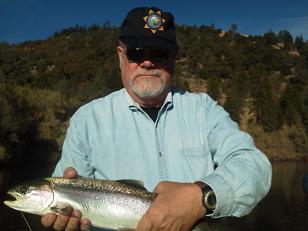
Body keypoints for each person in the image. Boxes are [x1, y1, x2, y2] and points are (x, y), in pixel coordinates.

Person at [41, 6, 272, 231]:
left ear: (174, 58)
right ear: (121, 56)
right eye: (137, 52)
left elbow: (254, 166)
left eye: (159, 53)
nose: (148, 62)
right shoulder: (87, 120)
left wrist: (201, 196)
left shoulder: (204, 109)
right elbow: (63, 202)